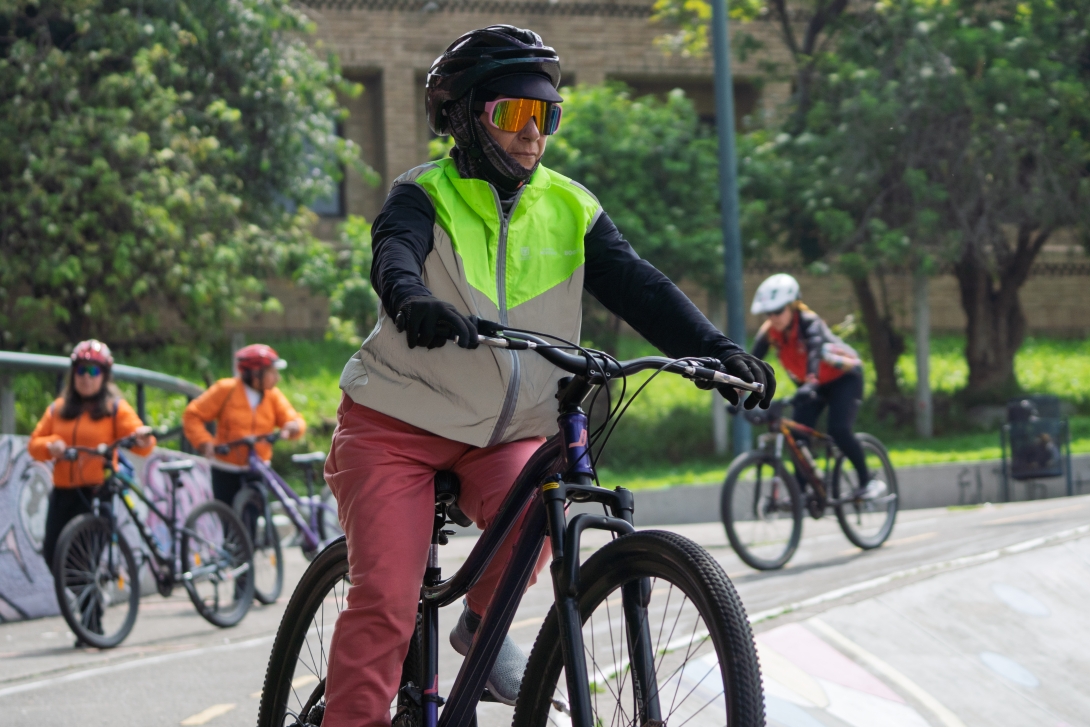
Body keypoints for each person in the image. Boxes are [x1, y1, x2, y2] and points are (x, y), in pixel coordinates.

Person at [321, 24, 776, 727]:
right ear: (466, 118)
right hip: (395, 429)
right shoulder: (423, 193)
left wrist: (719, 349)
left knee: (542, 505)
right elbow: (395, 256)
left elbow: (640, 286)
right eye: (514, 115)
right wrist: (413, 299)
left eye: (546, 116)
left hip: (503, 434)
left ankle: (482, 626)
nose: (533, 134)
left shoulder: (570, 205)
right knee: (386, 596)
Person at [750, 273, 882, 499]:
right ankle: (803, 492)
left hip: (843, 380)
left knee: (838, 429)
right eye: (768, 313)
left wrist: (810, 382)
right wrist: (738, 393)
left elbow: (813, 352)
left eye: (779, 311)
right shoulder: (769, 332)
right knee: (796, 436)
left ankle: (867, 481)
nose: (774, 317)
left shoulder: (810, 323)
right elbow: (750, 364)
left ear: (793, 306)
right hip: (813, 385)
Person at [29, 340, 155, 573]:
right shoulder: (58, 409)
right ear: (73, 373)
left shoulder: (115, 408)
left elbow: (142, 444)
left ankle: (90, 606)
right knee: (52, 554)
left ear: (104, 376)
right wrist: (50, 445)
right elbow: (34, 445)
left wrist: (142, 437)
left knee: (85, 559)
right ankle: (87, 600)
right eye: (81, 370)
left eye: (93, 371)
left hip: (98, 490)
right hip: (63, 491)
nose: (86, 377)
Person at [183, 344, 306, 506]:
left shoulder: (272, 395)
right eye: (272, 373)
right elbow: (192, 415)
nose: (278, 378)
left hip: (258, 468)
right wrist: (204, 442)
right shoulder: (226, 390)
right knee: (230, 521)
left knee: (253, 520)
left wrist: (294, 426)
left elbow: (291, 417)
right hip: (226, 468)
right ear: (255, 374)